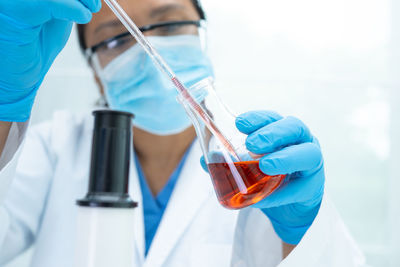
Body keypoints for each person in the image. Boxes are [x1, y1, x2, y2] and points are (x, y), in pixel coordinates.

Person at [0, 0, 365, 266]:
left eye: (170, 25)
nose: (149, 50)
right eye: (115, 41)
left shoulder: (262, 168)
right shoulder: (51, 149)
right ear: (96, 73)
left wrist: (303, 238)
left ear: (202, 36)